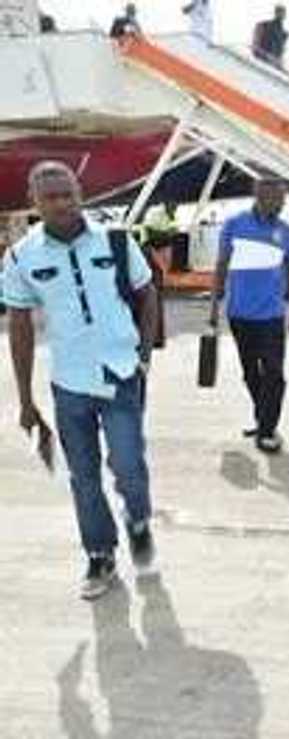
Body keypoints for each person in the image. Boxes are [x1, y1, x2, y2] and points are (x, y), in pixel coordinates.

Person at [2, 161, 159, 600]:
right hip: (69, 383)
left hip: (122, 374)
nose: (62, 204)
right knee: (83, 476)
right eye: (50, 197)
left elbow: (148, 296)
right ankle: (99, 555)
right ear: (33, 201)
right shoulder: (21, 257)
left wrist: (144, 357)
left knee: (129, 467)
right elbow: (20, 328)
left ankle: (139, 521)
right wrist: (26, 400)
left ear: (80, 192)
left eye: (68, 194)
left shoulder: (117, 240)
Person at [208, 174, 289, 454]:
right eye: (277, 198)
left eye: (284, 199)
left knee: (274, 373)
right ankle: (263, 418)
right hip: (240, 314)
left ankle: (267, 430)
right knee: (250, 372)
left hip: (272, 315)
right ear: (261, 196)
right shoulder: (235, 226)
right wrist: (215, 304)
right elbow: (221, 265)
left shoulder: (286, 232)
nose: (282, 204)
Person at [251, 5, 288, 69]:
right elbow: (256, 41)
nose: (281, 14)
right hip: (261, 57)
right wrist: (257, 51)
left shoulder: (284, 34)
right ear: (275, 12)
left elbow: (281, 51)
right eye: (279, 12)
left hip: (273, 62)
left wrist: (279, 63)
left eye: (283, 13)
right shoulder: (264, 25)